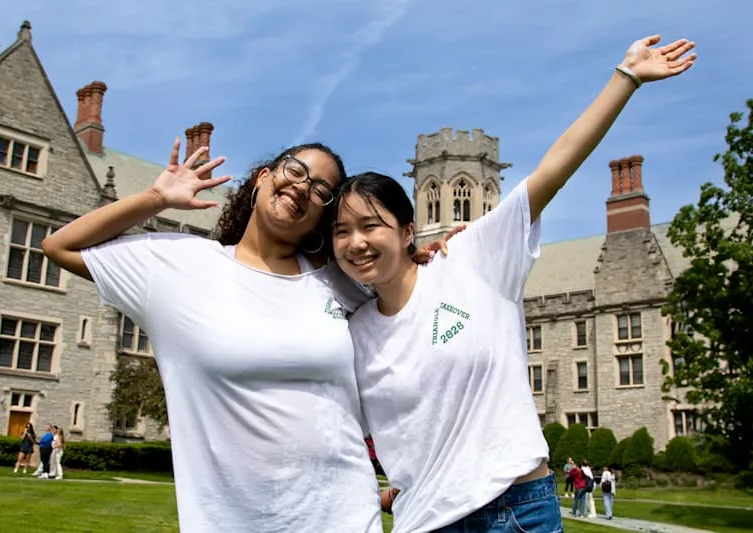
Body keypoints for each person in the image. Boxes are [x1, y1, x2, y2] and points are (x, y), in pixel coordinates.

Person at [330, 34, 696, 533]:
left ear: (407, 227)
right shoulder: (352, 329)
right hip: (424, 521)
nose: (356, 243)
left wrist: (626, 77)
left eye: (371, 225)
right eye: (341, 232)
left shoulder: (475, 257)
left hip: (516, 512)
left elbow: (552, 172)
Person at [42, 140, 455, 531]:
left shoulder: (338, 283)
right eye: (295, 170)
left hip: (344, 515)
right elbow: (61, 247)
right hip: (230, 520)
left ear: (321, 221)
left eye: (321, 191)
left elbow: (412, 322)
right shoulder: (181, 266)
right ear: (261, 178)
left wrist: (422, 256)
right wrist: (156, 198)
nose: (302, 187)